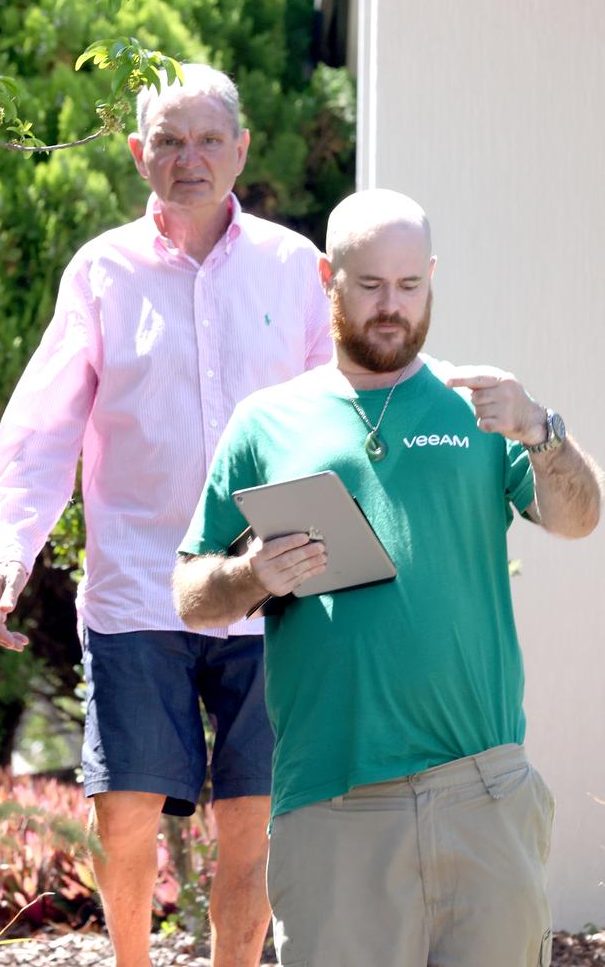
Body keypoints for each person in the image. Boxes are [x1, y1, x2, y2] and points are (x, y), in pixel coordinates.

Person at [173, 188, 602, 967]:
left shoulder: (482, 408)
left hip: (484, 793)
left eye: (410, 286)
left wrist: (543, 431)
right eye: (369, 286)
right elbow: (190, 592)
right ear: (325, 280)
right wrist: (251, 574)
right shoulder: (267, 423)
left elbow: (579, 518)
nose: (391, 308)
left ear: (431, 277)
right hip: (333, 807)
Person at [0, 63, 332, 967]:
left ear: (241, 150)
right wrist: (12, 548)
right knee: (124, 807)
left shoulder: (297, 269)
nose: (190, 158)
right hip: (139, 588)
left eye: (209, 138)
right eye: (169, 141)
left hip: (271, 587)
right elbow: (45, 422)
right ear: (139, 155)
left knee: (252, 818)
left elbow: (347, 415)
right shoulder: (103, 271)